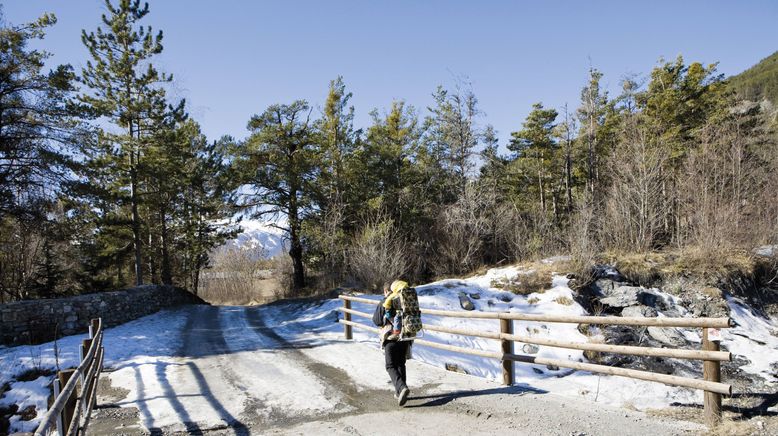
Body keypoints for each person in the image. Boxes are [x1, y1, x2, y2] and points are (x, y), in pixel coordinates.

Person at [373, 280, 411, 406]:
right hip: (405, 337)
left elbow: (377, 321)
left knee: (390, 366)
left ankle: (402, 387)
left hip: (390, 338)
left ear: (385, 291)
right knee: (401, 363)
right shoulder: (404, 298)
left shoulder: (385, 302)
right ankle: (399, 392)